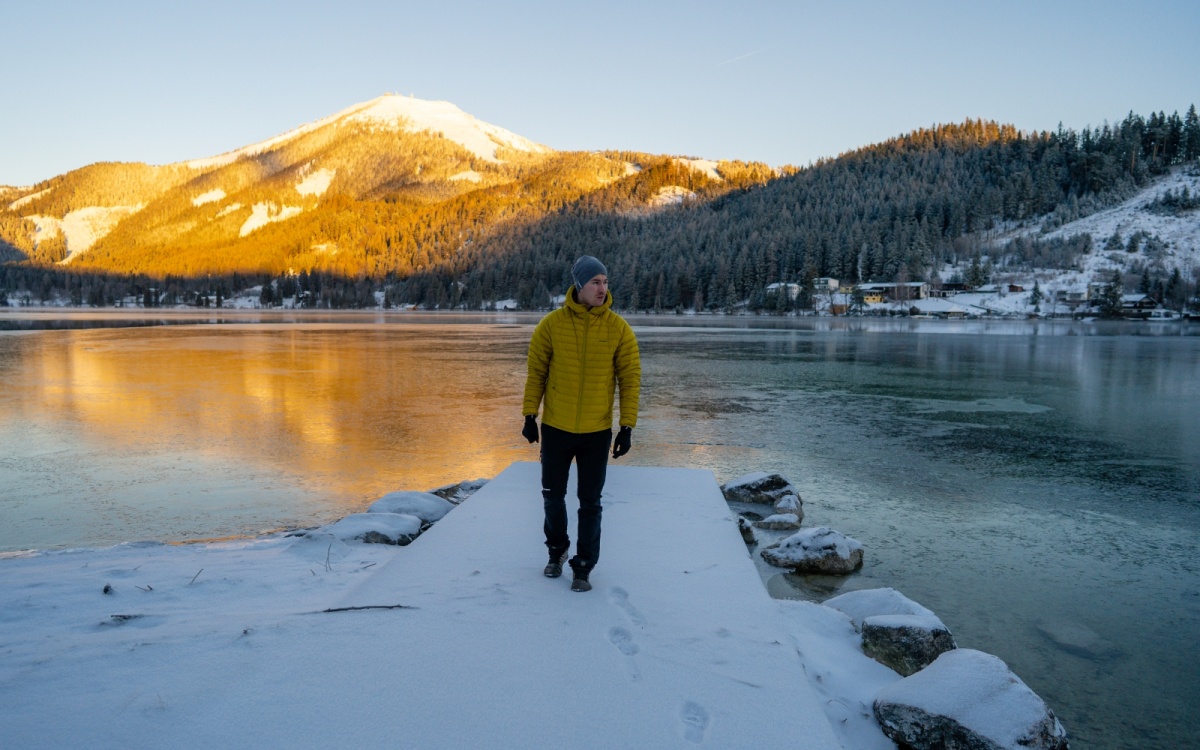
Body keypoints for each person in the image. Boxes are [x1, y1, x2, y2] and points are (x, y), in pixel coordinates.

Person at [522, 255, 641, 592]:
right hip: (556, 428)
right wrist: (529, 415)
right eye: (595, 282)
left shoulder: (619, 329)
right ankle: (557, 551)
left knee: (590, 502)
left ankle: (584, 565)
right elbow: (537, 373)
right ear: (579, 285)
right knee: (552, 496)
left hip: (596, 432)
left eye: (605, 282)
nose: (603, 289)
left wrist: (626, 427)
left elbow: (630, 381)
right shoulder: (551, 325)